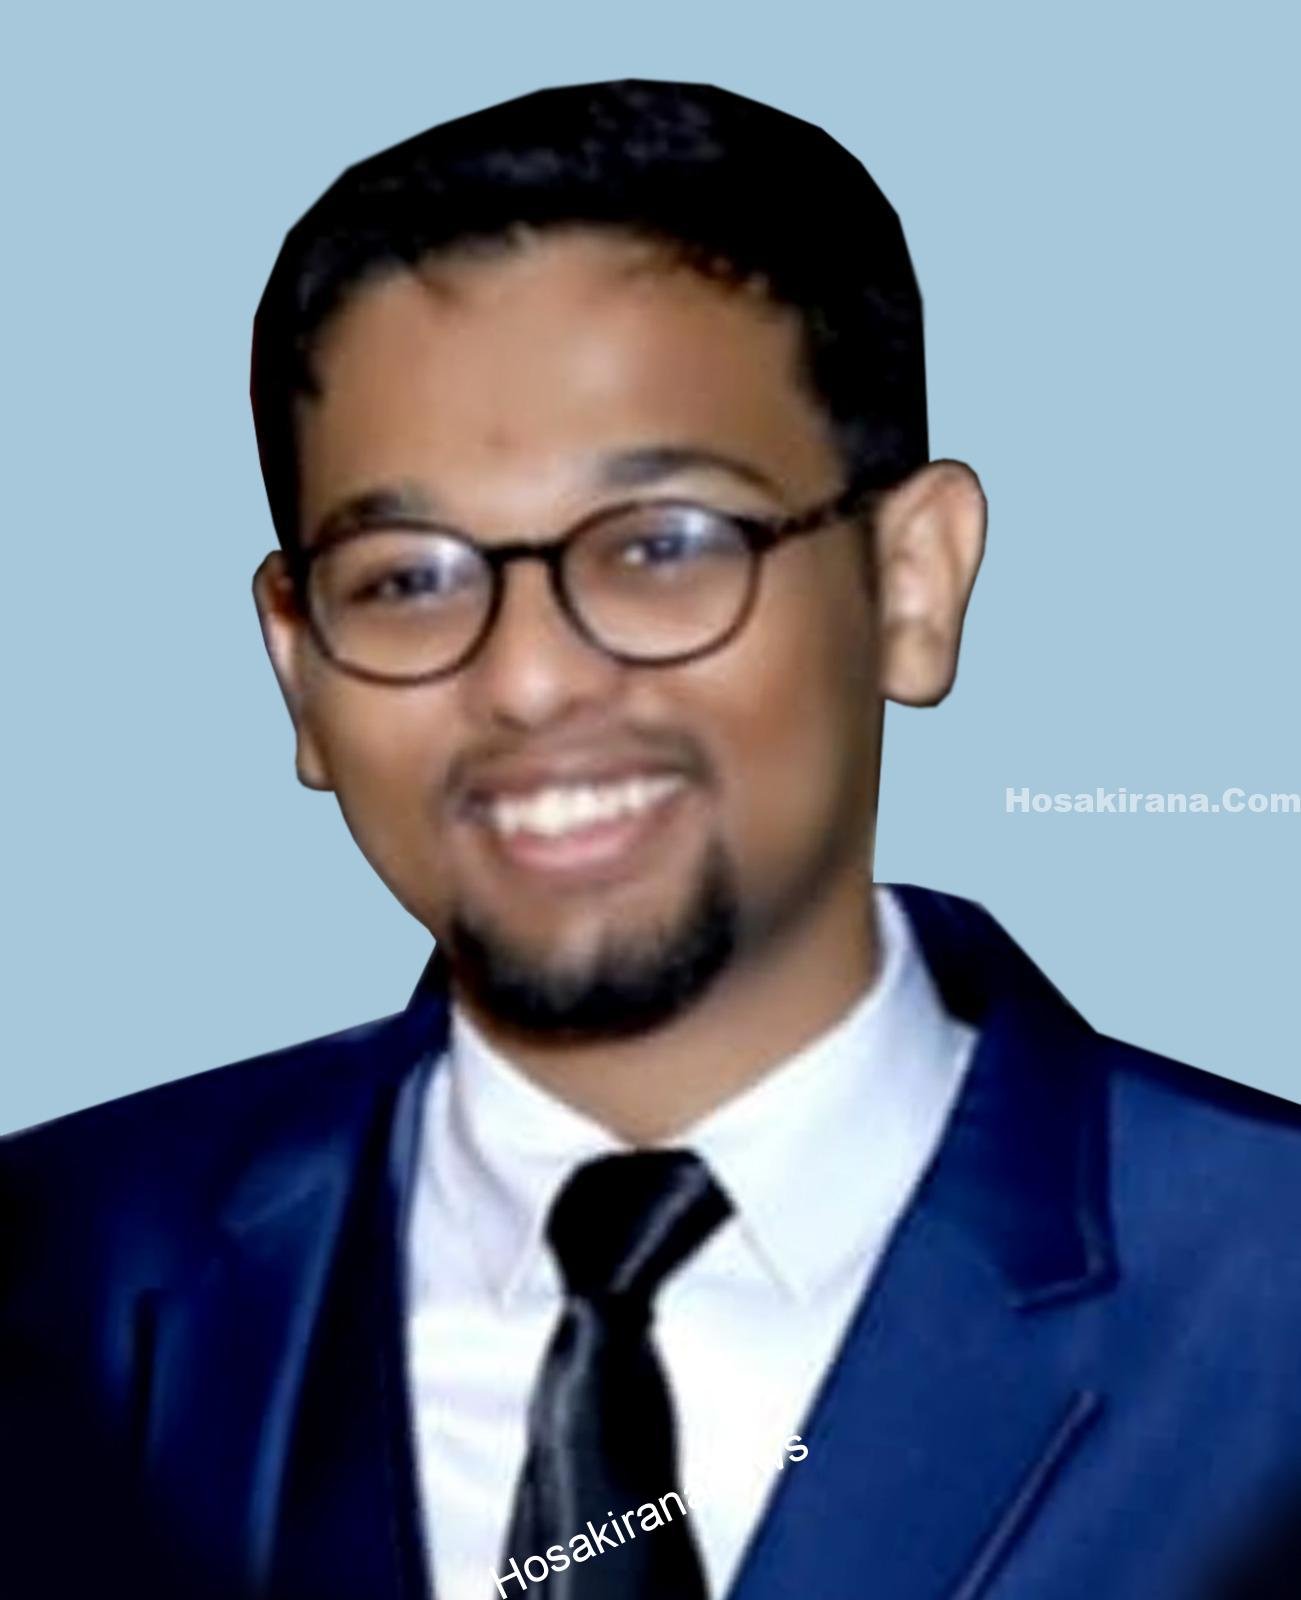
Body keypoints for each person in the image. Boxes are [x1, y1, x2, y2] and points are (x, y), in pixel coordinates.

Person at [2, 77, 1299, 1600]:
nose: (529, 678)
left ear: (911, 581)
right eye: (407, 578)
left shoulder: (1266, 1299)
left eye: (662, 547)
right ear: (298, 666)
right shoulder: (53, 1279)